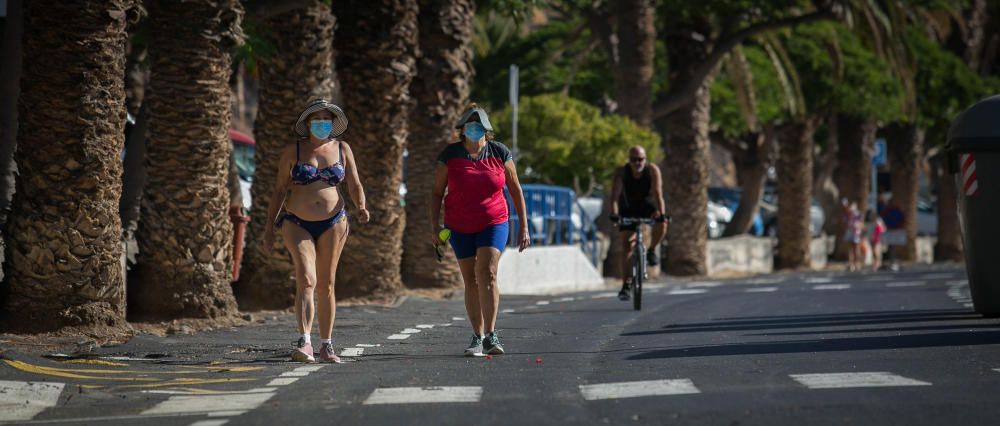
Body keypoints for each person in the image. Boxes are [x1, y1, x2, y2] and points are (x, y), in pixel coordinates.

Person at [263, 99, 369, 363]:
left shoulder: (343, 148)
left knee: (328, 283)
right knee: (306, 278)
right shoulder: (293, 151)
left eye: (327, 119)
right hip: (297, 222)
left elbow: (354, 184)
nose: (322, 123)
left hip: (334, 222)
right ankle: (305, 341)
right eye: (317, 119)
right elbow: (279, 190)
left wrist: (361, 206)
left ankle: (327, 344)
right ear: (307, 123)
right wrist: (268, 227)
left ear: (333, 124)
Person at [430, 104, 530, 357]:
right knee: (470, 280)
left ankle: (492, 334)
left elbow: (515, 189)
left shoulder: (500, 152)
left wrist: (524, 227)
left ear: (487, 130)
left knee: (487, 272)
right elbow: (436, 192)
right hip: (459, 225)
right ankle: (477, 335)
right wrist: (435, 227)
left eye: (478, 126)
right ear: (462, 130)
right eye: (469, 126)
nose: (473, 130)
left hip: (494, 221)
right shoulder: (450, 155)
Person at [609, 146, 668, 301]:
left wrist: (661, 214)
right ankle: (626, 285)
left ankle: (651, 250)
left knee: (663, 223)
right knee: (626, 244)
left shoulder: (653, 170)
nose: (637, 163)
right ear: (629, 161)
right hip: (628, 207)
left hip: (647, 205)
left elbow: (658, 194)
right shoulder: (622, 172)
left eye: (640, 159)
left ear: (645, 159)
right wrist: (615, 215)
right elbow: (615, 197)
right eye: (633, 160)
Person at [843, 199, 863, 272]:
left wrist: (857, 226)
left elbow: (861, 224)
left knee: (856, 248)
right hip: (849, 232)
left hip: (856, 233)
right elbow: (845, 223)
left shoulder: (858, 214)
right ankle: (851, 264)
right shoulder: (847, 214)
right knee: (850, 249)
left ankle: (857, 263)